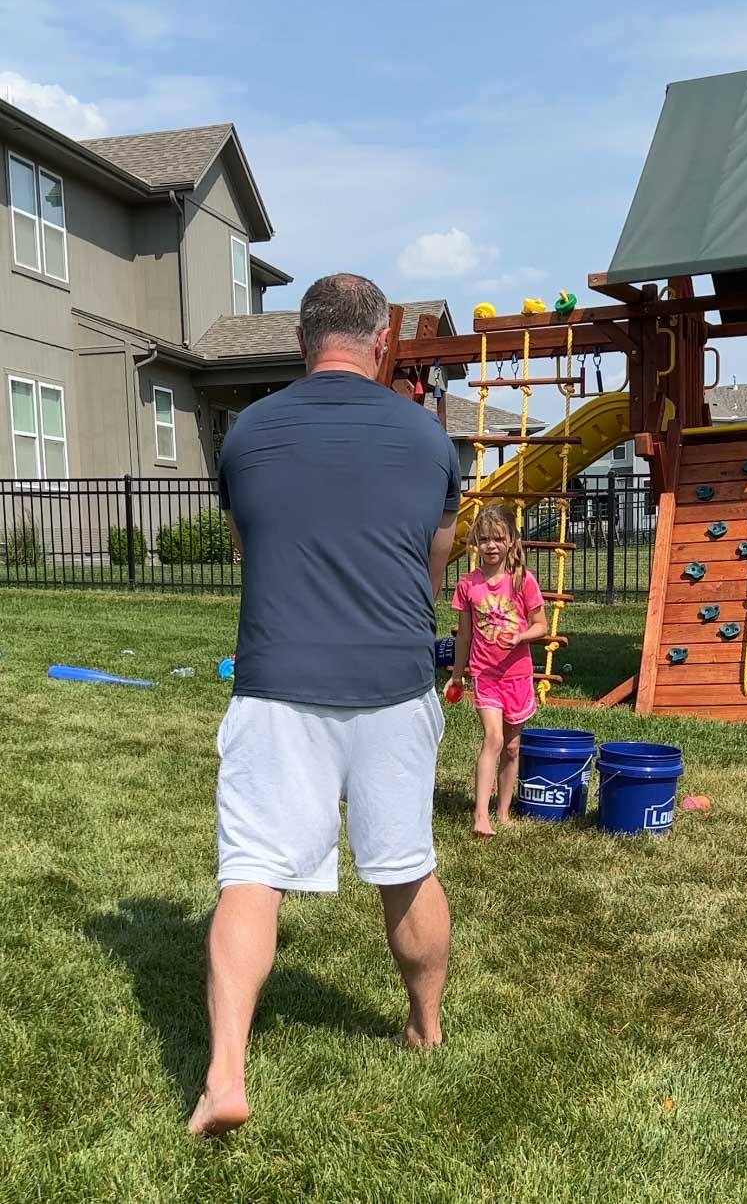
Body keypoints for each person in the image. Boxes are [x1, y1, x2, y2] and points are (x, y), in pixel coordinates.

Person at [188, 274, 461, 1136]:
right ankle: (424, 1025)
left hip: (277, 683)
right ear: (381, 343)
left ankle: (225, 1074)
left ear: (302, 342)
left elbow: (248, 549)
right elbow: (433, 570)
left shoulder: (247, 434)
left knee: (251, 873)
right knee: (407, 863)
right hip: (393, 681)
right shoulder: (427, 438)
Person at [445, 504, 547, 838]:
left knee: (513, 748)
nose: (491, 545)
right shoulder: (468, 586)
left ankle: (503, 812)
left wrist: (521, 635)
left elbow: (541, 625)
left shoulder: (523, 580)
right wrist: (457, 674)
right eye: (484, 539)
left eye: (497, 539)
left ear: (511, 541)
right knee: (494, 737)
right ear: (476, 542)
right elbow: (465, 635)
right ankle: (480, 816)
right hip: (485, 674)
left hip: (517, 675)